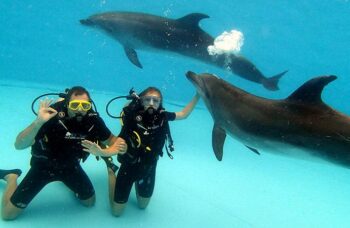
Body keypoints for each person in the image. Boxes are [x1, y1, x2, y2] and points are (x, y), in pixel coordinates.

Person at [0, 86, 127, 220]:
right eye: (74, 105)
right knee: (8, 214)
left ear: (89, 105)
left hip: (70, 167)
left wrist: (104, 151)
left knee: (89, 202)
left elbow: (114, 141)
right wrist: (38, 122)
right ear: (67, 104)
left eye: (84, 105)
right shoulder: (51, 116)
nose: (79, 109)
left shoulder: (93, 120)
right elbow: (19, 145)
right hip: (42, 167)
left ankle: (68, 182)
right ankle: (11, 177)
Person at [82, 87, 200, 216]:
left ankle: (139, 184)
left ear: (160, 103)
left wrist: (198, 95)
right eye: (147, 99)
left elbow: (183, 114)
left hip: (148, 168)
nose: (151, 103)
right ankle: (111, 169)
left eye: (155, 100)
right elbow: (118, 146)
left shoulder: (163, 116)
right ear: (141, 101)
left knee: (143, 206)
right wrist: (101, 153)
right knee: (116, 213)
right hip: (128, 169)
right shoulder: (132, 119)